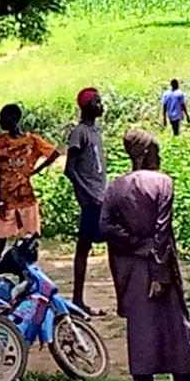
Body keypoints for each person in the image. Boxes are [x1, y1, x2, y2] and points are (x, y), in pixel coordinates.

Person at [101, 130, 190, 381]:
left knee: (141, 328)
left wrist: (132, 243)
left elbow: (106, 227)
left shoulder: (114, 187)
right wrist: (159, 270)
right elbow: (162, 229)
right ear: (147, 153)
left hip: (131, 268)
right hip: (159, 263)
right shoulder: (162, 183)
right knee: (175, 327)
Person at [0, 104, 59, 266]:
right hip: (6, 198)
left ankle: (31, 268)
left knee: (31, 237)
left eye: (3, 117)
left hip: (26, 197)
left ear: (14, 118)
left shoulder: (32, 141)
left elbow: (54, 153)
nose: (0, 122)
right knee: (0, 236)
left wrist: (34, 170)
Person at [64, 89, 108, 315]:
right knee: (84, 247)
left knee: (88, 246)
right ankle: (77, 300)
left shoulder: (95, 131)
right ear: (86, 105)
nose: (101, 105)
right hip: (92, 199)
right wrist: (86, 193)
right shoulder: (79, 133)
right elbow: (69, 169)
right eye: (97, 101)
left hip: (100, 195)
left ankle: (78, 299)